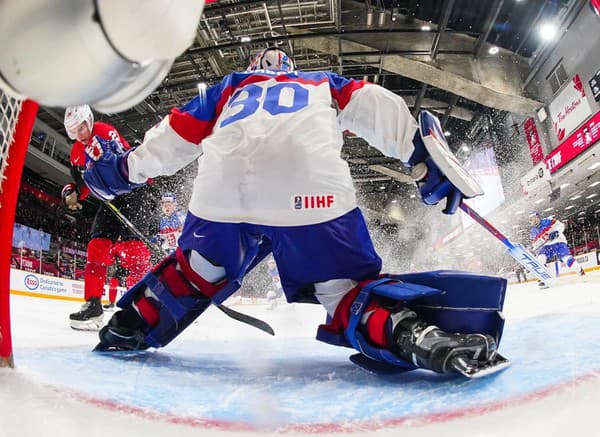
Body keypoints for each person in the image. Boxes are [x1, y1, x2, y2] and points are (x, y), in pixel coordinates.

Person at [86, 47, 508, 377]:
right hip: (312, 193)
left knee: (198, 270)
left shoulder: (232, 86)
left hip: (222, 191)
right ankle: (416, 337)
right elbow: (374, 103)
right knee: (344, 290)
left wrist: (126, 170)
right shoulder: (320, 82)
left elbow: (175, 133)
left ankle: (130, 325)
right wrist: (418, 153)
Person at [62, 105, 154, 330]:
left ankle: (144, 307)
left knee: (134, 251)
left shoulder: (103, 131)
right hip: (111, 200)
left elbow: (123, 159)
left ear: (90, 121)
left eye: (82, 127)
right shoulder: (76, 153)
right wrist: (72, 192)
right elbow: (82, 185)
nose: (80, 134)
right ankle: (93, 306)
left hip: (133, 192)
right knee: (96, 247)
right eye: (74, 132)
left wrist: (103, 155)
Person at [530, 212, 585, 288]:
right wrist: (533, 248)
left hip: (558, 241)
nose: (534, 220)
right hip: (546, 246)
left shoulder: (548, 220)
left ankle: (579, 271)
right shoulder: (533, 231)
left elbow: (561, 225)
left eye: (535, 218)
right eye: (532, 219)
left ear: (539, 217)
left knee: (566, 259)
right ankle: (543, 279)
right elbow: (536, 244)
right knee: (540, 259)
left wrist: (557, 232)